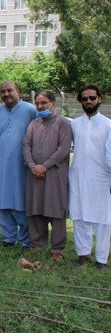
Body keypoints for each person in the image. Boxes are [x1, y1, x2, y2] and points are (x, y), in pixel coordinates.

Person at [23, 90, 73, 260]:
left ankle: (57, 249)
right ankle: (37, 244)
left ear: (53, 104)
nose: (39, 106)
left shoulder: (63, 123)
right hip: (34, 174)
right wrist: (32, 166)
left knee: (56, 209)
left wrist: (44, 166)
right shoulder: (34, 124)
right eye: (37, 103)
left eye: (43, 103)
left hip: (54, 175)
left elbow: (63, 149)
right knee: (35, 208)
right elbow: (26, 145)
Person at [0, 81, 36, 247]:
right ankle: (8, 238)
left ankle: (25, 240)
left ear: (18, 91)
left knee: (20, 199)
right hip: (2, 163)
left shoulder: (30, 110)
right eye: (2, 91)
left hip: (22, 164)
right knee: (3, 199)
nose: (6, 94)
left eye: (10, 90)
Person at [70, 84, 111, 268]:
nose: (88, 101)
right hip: (77, 175)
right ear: (80, 101)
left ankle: (101, 259)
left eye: (92, 98)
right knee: (79, 215)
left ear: (99, 99)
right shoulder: (74, 124)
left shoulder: (108, 125)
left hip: (102, 178)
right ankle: (83, 253)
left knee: (102, 219)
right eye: (84, 98)